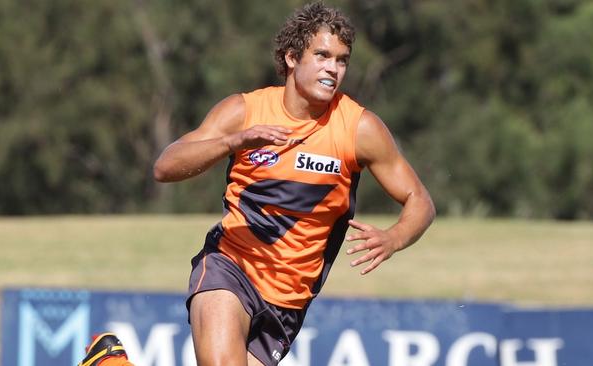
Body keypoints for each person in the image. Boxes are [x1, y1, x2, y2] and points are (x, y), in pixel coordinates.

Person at [153, 2, 435, 365]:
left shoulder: (359, 128)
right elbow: (165, 166)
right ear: (291, 58)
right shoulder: (244, 111)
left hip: (288, 301)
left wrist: (394, 238)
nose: (332, 69)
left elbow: (420, 200)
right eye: (322, 56)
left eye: (342, 60)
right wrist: (233, 142)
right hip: (230, 266)